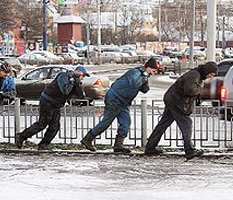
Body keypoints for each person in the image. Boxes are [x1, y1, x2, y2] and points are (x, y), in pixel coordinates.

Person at [81, 57, 160, 153]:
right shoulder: (135, 72)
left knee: (125, 123)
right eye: (153, 70)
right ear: (148, 67)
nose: (154, 73)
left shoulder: (143, 75)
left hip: (123, 102)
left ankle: (118, 145)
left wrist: (146, 79)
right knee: (106, 122)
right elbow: (134, 84)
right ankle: (88, 139)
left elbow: (144, 90)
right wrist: (144, 77)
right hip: (114, 98)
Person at [144, 61, 218, 160]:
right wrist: (201, 90)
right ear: (207, 71)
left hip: (173, 99)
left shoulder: (197, 75)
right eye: (211, 74)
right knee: (186, 123)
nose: (211, 77)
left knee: (163, 124)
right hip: (176, 102)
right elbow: (189, 90)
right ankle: (190, 150)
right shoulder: (194, 75)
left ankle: (150, 147)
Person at [16, 65, 90, 150]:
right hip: (48, 101)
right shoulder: (63, 76)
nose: (83, 78)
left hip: (56, 104)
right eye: (83, 75)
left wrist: (78, 83)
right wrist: (72, 81)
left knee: (55, 126)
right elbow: (65, 91)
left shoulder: (75, 81)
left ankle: (43, 145)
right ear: (77, 71)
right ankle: (21, 137)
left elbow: (80, 95)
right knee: (42, 124)